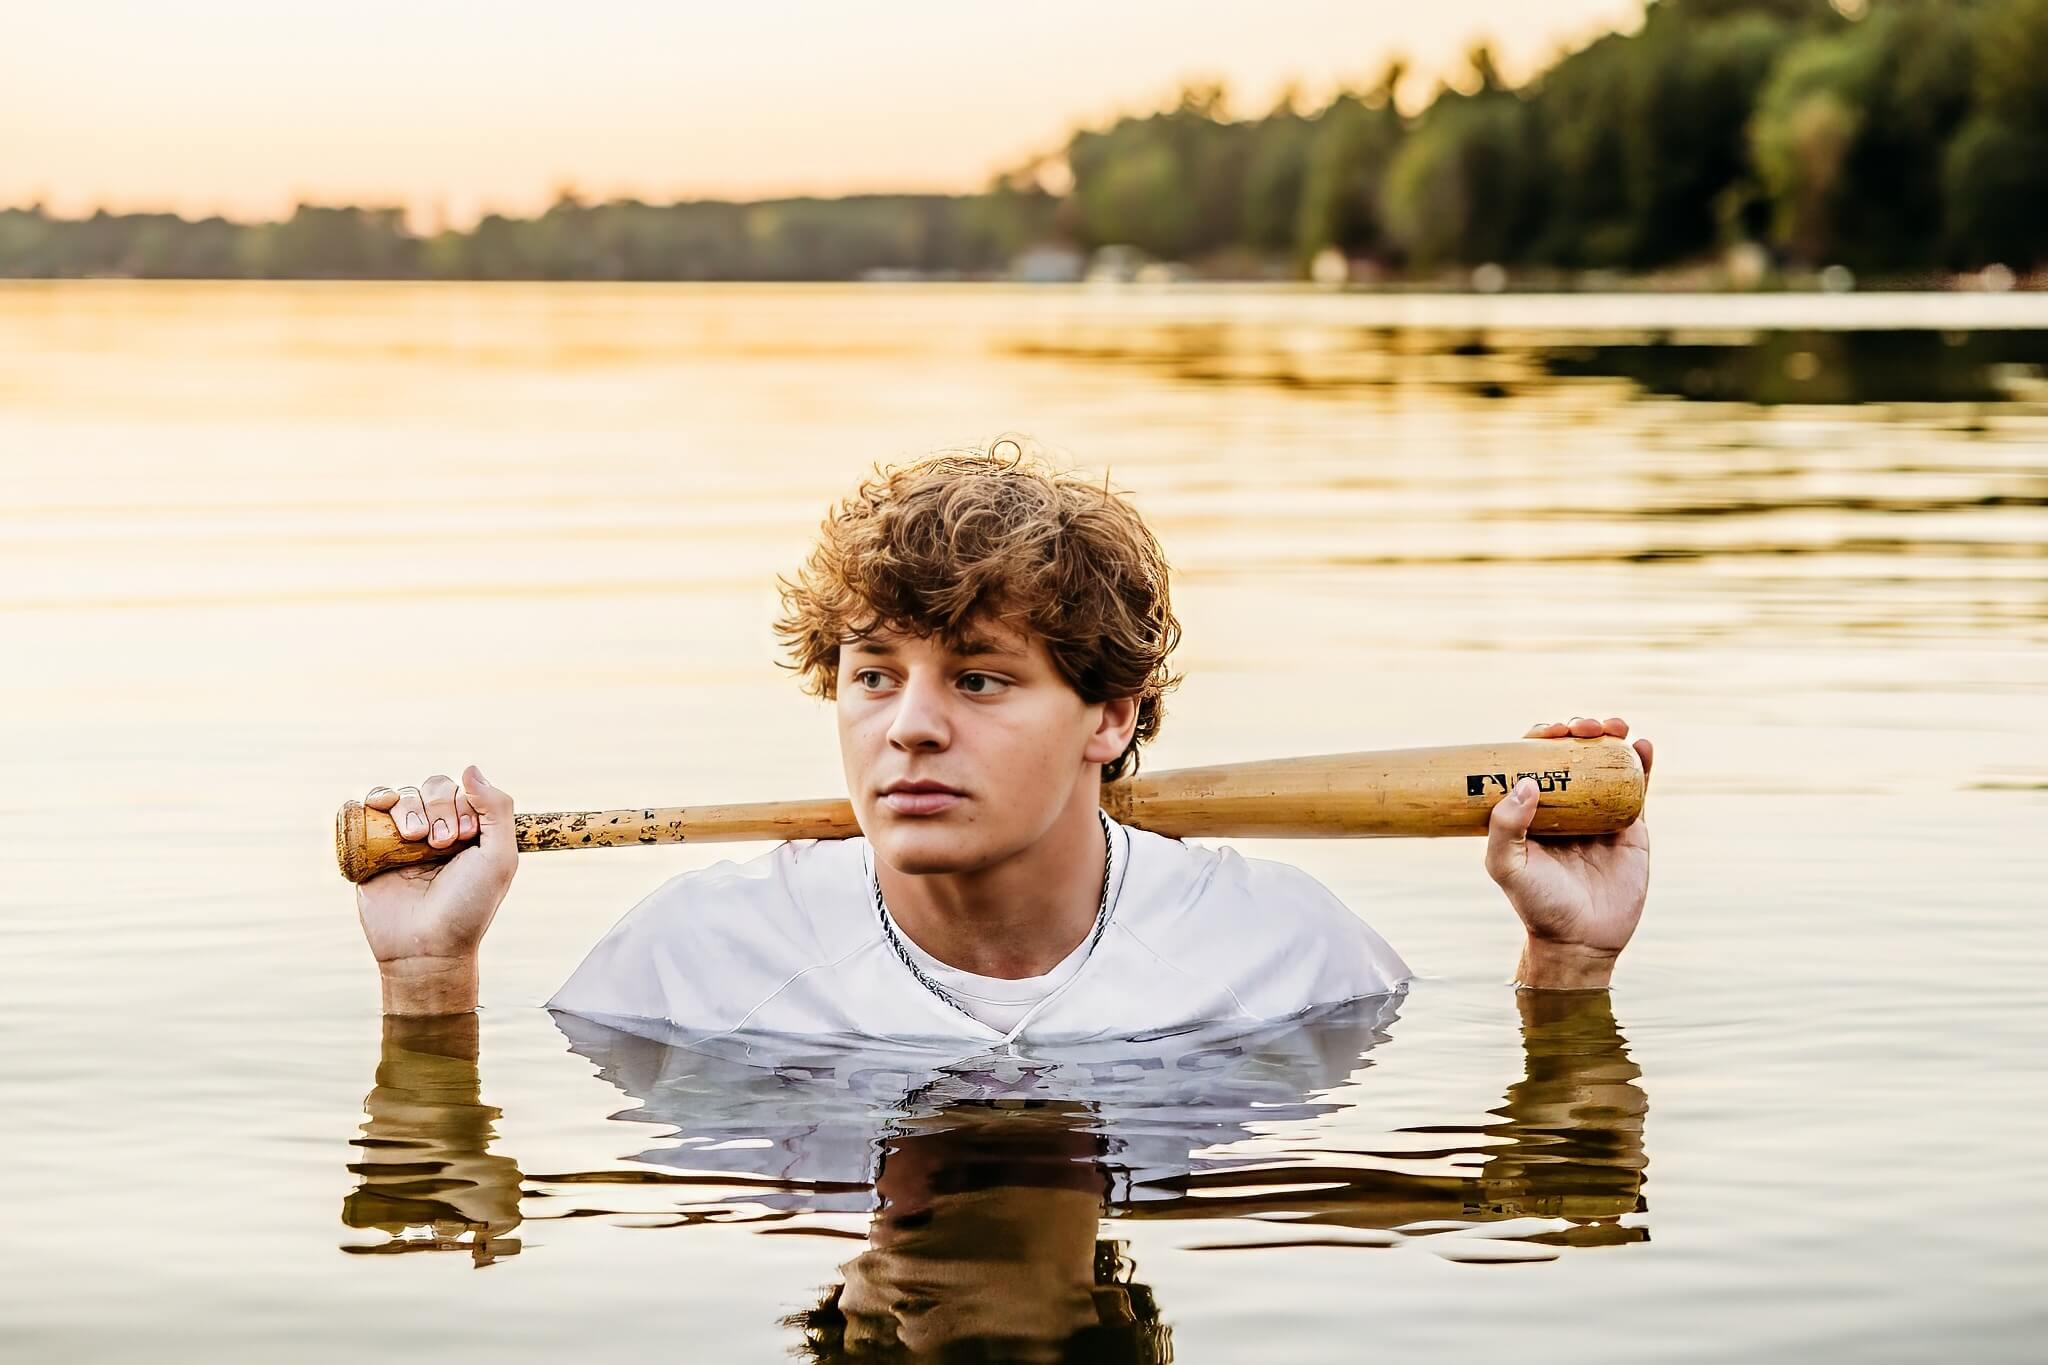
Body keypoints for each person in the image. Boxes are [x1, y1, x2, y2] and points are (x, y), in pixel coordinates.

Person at [353, 445, 1654, 1041]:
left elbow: (1540, 1199)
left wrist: (1567, 962)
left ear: (1112, 713)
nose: (909, 722)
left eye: (979, 677)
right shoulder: (674, 968)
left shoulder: (1300, 964)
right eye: (873, 674)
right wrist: (428, 979)